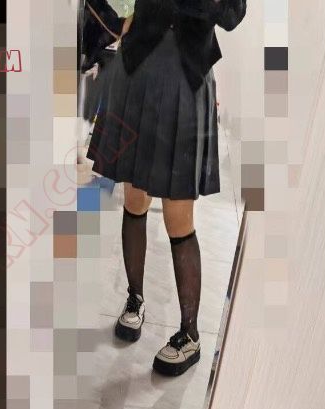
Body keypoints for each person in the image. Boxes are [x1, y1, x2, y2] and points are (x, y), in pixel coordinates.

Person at [86, 0, 248, 376]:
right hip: (137, 70)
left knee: (178, 216)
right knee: (135, 198)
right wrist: (118, 20)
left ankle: (189, 334)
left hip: (186, 77)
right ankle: (134, 298)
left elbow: (233, 16)